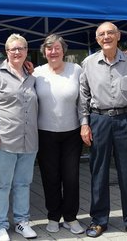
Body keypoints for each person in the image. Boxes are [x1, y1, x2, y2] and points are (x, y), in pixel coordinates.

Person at [79, 22, 127, 240]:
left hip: (126, 120)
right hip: (99, 120)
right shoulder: (88, 63)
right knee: (98, 173)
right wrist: (84, 123)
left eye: (110, 33)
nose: (106, 36)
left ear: (118, 36)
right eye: (101, 34)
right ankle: (99, 220)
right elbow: (84, 98)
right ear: (97, 39)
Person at [0, 34, 38, 241]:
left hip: (30, 139)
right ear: (6, 52)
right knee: (2, 184)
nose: (17, 52)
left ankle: (22, 222)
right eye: (13, 49)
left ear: (26, 51)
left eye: (21, 48)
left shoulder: (32, 76)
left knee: (23, 183)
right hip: (3, 139)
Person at [32, 34, 85, 235]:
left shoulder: (77, 70)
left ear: (63, 50)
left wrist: (84, 124)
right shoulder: (36, 73)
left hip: (72, 133)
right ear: (44, 52)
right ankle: (53, 216)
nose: (53, 52)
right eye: (49, 48)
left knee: (71, 177)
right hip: (45, 134)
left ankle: (70, 217)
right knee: (50, 177)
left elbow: (83, 101)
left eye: (57, 48)